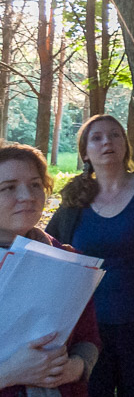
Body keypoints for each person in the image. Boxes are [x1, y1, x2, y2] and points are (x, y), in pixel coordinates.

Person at [46, 115, 134, 397]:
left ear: (125, 144)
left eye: (115, 135)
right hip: (88, 333)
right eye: (97, 138)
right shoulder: (74, 200)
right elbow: (51, 250)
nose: (107, 142)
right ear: (85, 153)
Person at [0, 143, 100, 397]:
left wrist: (76, 367)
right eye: (9, 187)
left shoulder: (66, 258)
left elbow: (88, 337)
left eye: (35, 185)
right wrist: (8, 373)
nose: (28, 196)